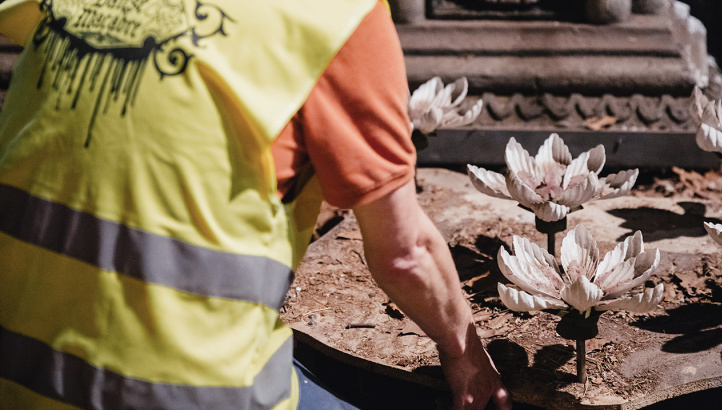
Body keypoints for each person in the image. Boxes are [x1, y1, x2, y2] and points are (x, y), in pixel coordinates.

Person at [0, 1, 511, 409]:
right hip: (186, 389)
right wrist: (466, 356)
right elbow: (405, 255)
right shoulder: (332, 17)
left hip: (20, 372)